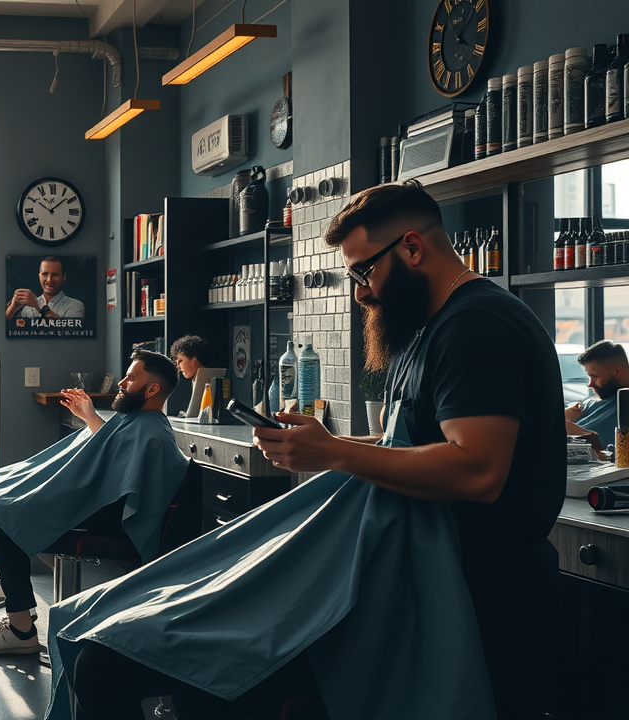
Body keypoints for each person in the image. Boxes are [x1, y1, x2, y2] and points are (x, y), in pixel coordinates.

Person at [53, 182, 563, 720]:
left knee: (131, 667)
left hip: (467, 595)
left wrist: (337, 455)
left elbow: (478, 470)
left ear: (412, 247)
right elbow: (411, 445)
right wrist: (327, 445)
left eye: (364, 271)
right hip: (404, 579)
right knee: (131, 659)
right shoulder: (432, 328)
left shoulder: (477, 325)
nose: (361, 293)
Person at [0, 349, 190, 656]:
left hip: (118, 521)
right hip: (107, 508)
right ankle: (14, 596)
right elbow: (112, 458)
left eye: (131, 377)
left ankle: (20, 627)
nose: (121, 383)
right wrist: (90, 417)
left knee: (4, 510)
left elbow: (117, 480)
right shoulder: (138, 421)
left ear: (152, 389)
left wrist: (91, 420)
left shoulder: (150, 431)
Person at [564, 340, 627, 447]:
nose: (590, 384)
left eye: (595, 376)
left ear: (617, 372)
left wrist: (570, 429)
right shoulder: (586, 405)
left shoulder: (623, 408)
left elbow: (619, 455)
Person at [6, 256, 85, 320]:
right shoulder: (28, 306)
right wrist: (13, 306)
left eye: (55, 274)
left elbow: (69, 332)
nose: (49, 280)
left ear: (63, 277)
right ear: (39, 275)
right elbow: (5, 328)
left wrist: (39, 306)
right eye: (45, 274)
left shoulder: (75, 306)